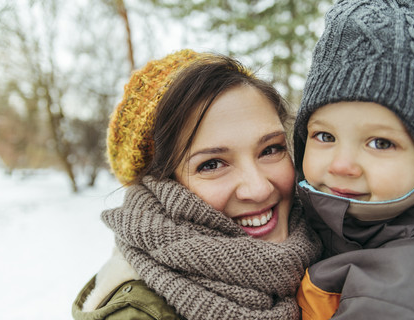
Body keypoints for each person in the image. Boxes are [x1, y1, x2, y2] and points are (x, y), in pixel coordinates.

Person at [72, 49, 322, 320]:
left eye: (271, 149)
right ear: (161, 186)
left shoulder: (331, 243)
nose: (259, 188)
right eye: (212, 164)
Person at [293, 0, 414, 319]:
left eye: (380, 143)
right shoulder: (328, 224)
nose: (341, 165)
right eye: (325, 136)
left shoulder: (401, 297)